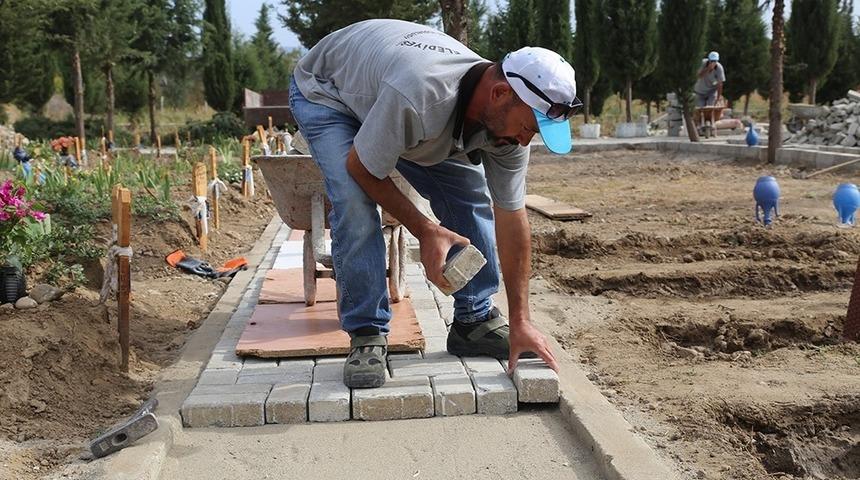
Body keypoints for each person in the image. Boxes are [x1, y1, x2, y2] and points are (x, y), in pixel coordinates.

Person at [290, 19, 578, 388]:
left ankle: (473, 321)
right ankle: (367, 333)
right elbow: (362, 169)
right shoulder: (422, 93)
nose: (525, 141)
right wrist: (425, 230)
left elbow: (512, 216)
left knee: (470, 197)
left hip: (394, 99)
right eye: (529, 127)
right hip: (328, 89)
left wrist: (521, 320)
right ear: (500, 94)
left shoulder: (507, 126)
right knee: (353, 199)